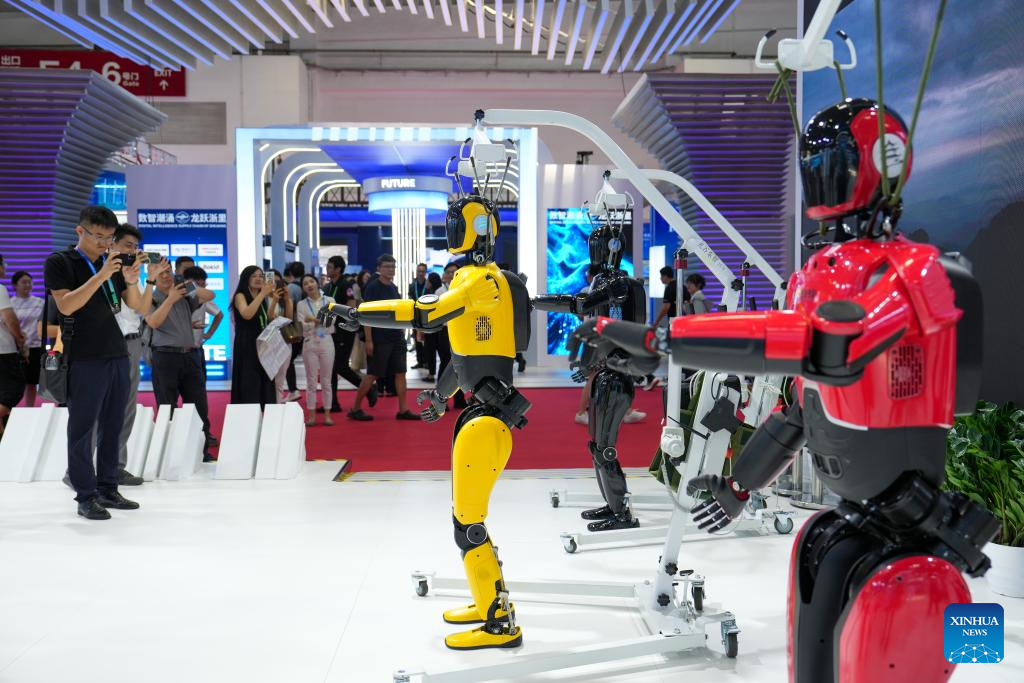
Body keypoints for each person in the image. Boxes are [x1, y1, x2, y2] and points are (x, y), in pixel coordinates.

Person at [44, 206, 144, 520]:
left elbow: (131, 306)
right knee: (82, 428)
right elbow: (66, 305)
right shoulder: (60, 262)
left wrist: (131, 280)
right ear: (81, 231)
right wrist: (100, 276)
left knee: (114, 425)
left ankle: (108, 488)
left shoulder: (110, 262)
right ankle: (86, 496)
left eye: (109, 238)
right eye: (98, 236)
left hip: (117, 352)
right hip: (84, 356)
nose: (103, 244)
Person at [109, 225, 163, 485]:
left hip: (131, 342)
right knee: (101, 408)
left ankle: (116, 466)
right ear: (113, 244)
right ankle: (81, 469)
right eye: (128, 245)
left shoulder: (132, 272)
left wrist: (150, 279)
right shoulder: (108, 271)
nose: (133, 251)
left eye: (135, 247)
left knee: (126, 408)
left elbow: (141, 308)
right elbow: (136, 305)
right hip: (110, 343)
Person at [146, 263, 217, 458]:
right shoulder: (150, 297)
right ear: (152, 275)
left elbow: (210, 295)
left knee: (199, 406)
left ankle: (201, 453)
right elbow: (154, 322)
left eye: (168, 272)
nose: (166, 276)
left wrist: (188, 285)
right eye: (160, 273)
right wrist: (170, 299)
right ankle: (169, 455)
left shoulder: (184, 293)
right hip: (165, 357)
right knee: (167, 407)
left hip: (190, 355)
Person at [346, 254, 419, 421]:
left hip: (397, 336)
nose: (390, 270)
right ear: (378, 268)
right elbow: (366, 315)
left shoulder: (393, 287)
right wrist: (369, 341)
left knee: (401, 372)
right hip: (380, 338)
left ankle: (403, 410)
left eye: (393, 267)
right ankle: (355, 408)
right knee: (373, 374)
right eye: (387, 266)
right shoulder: (373, 287)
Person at [323, 255, 375, 412]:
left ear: (338, 269)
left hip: (344, 331)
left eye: (330, 266)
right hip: (330, 331)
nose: (327, 269)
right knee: (331, 367)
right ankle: (332, 403)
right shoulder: (328, 287)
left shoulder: (346, 285)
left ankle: (368, 388)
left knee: (340, 366)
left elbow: (351, 307)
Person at [230, 265, 279, 407]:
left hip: (263, 343)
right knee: (250, 382)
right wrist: (263, 294)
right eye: (254, 276)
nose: (258, 279)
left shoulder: (260, 296)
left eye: (261, 276)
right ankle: (250, 415)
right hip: (247, 344)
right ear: (246, 278)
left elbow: (267, 318)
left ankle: (265, 414)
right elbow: (247, 314)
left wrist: (274, 301)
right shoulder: (240, 296)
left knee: (265, 382)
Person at [295, 274, 336, 426]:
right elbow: (302, 325)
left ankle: (327, 415)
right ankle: (311, 415)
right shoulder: (301, 304)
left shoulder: (330, 301)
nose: (309, 285)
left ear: (317, 283)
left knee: (326, 381)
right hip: (310, 342)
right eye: (305, 283)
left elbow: (331, 321)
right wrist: (318, 321)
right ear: (303, 288)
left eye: (311, 281)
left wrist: (312, 319)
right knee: (311, 381)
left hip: (326, 341)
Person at [0, 254, 26, 436]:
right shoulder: (0, 289)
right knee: (14, 390)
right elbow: (9, 318)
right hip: (4, 351)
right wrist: (20, 339)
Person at [10, 270, 42, 408]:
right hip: (15, 348)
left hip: (35, 346)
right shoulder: (9, 304)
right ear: (15, 285)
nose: (27, 285)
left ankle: (29, 408)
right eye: (24, 282)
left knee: (31, 381)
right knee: (14, 382)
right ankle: (10, 409)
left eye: (30, 282)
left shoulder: (40, 302)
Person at [264, 269, 296, 402]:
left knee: (280, 380)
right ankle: (266, 407)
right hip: (266, 343)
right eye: (270, 281)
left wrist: (287, 299)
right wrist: (274, 301)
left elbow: (289, 319)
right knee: (266, 379)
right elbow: (268, 318)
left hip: (283, 342)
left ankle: (277, 406)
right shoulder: (262, 299)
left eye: (277, 281)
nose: (274, 284)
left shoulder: (286, 300)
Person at [183, 266, 223, 352]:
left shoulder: (203, 297)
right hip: (178, 348)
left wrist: (209, 334)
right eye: (198, 285)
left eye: (203, 284)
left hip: (196, 348)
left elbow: (219, 315)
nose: (203, 287)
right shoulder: (177, 296)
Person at [282, 262, 305, 397]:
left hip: (294, 327)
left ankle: (293, 390)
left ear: (290, 273)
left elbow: (289, 310)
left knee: (287, 358)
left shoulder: (290, 288)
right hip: (307, 327)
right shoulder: (305, 285)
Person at [408, 262, 429, 371]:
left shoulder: (428, 285)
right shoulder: (412, 285)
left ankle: (427, 362)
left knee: (427, 341)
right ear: (416, 272)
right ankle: (420, 362)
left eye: (422, 271)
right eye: (419, 271)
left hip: (427, 316)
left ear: (425, 272)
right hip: (415, 316)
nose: (420, 273)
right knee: (417, 340)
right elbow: (410, 299)